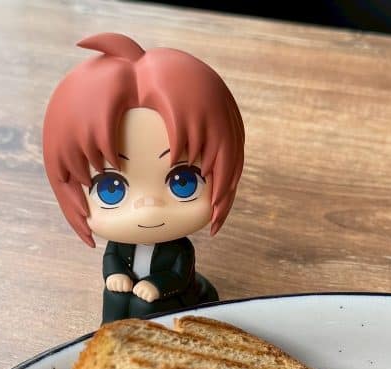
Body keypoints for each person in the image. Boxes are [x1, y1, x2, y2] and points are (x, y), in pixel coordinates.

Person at [43, 33, 244, 323]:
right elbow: (112, 260)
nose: (148, 206)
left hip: (171, 300)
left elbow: (179, 275)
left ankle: (148, 340)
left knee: (145, 308)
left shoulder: (179, 250)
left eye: (183, 182)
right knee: (114, 296)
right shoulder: (120, 246)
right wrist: (115, 275)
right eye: (110, 188)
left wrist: (156, 286)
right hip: (132, 291)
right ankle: (108, 334)